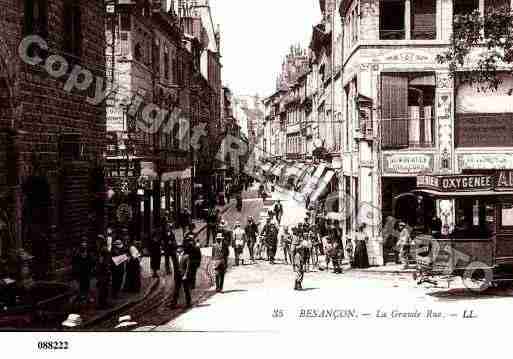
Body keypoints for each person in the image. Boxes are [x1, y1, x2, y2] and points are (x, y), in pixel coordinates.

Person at [170, 242, 193, 309]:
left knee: (186, 289)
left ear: (182, 248)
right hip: (177, 276)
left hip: (184, 275)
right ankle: (173, 304)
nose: (178, 248)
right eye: (178, 247)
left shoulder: (186, 256)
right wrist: (174, 275)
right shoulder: (176, 256)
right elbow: (174, 266)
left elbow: (188, 267)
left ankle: (188, 303)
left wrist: (185, 275)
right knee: (176, 290)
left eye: (180, 247)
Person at [95, 235, 111, 309]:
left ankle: (103, 303)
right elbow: (102, 262)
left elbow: (102, 262)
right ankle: (102, 304)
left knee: (104, 288)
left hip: (103, 271)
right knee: (103, 288)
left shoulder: (102, 250)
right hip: (102, 272)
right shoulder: (102, 250)